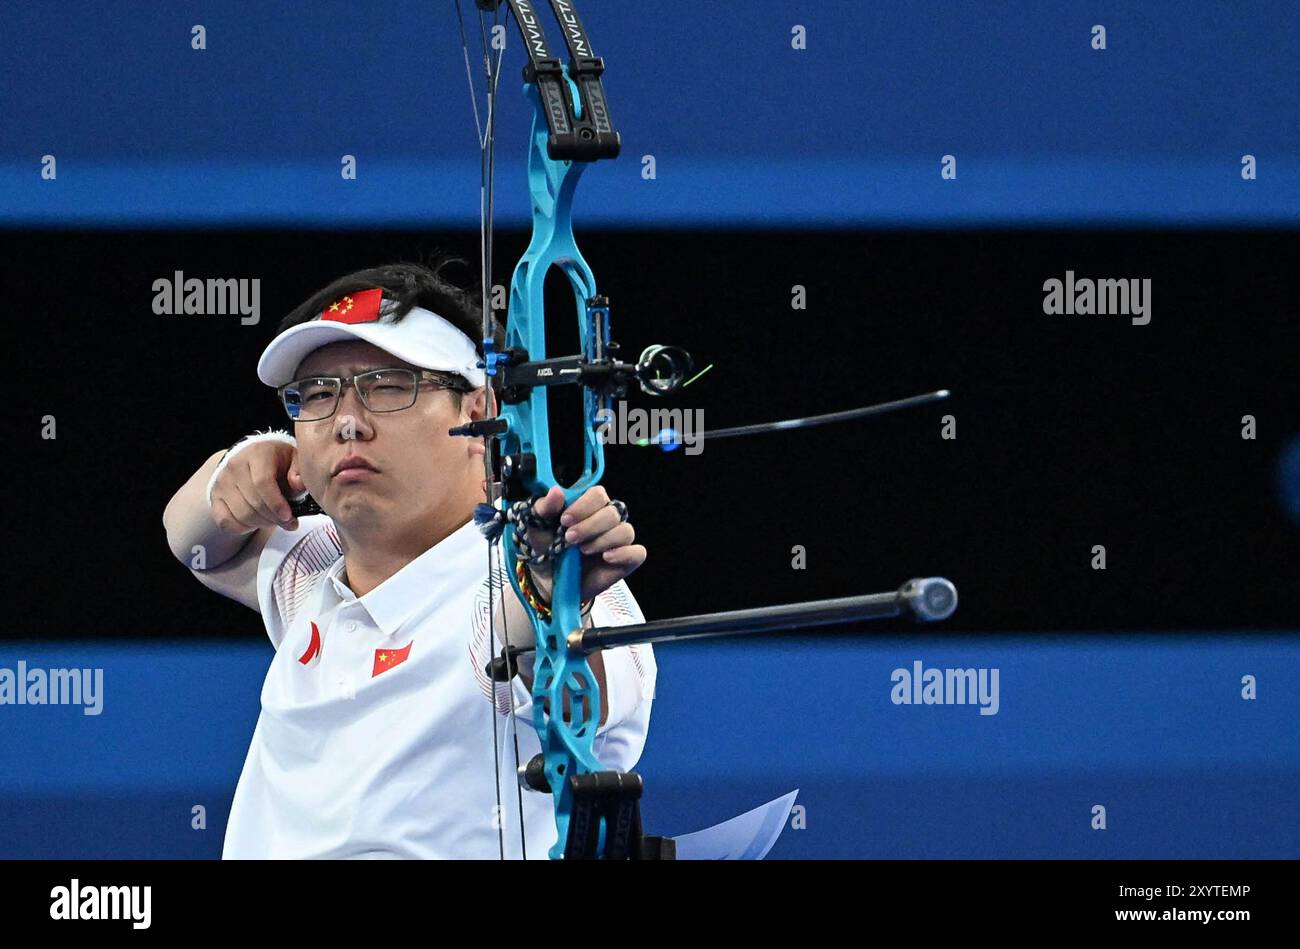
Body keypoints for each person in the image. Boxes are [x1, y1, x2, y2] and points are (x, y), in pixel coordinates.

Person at [162, 256, 657, 858]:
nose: (347, 422)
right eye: (317, 395)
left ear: (478, 413)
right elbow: (190, 542)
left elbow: (566, 685)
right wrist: (243, 459)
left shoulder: (530, 587)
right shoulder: (313, 574)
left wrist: (552, 596)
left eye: (387, 386)